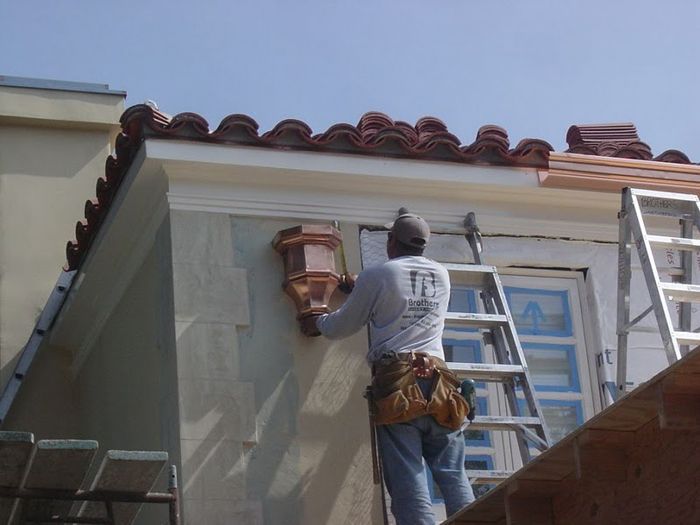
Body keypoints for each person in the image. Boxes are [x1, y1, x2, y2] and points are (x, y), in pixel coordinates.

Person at [303, 213, 475, 524]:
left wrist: (315, 316)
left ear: (390, 241)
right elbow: (404, 296)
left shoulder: (378, 276)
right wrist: (365, 289)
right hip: (440, 384)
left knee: (407, 475)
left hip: (398, 383)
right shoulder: (441, 274)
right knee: (452, 472)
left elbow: (340, 327)